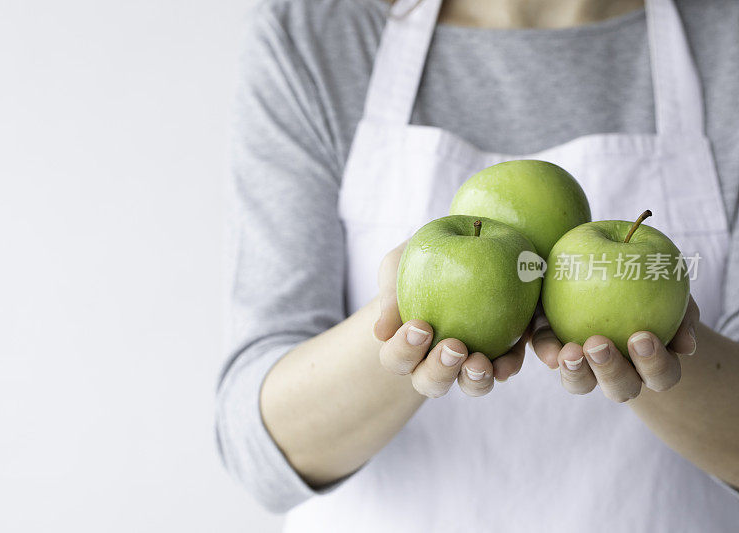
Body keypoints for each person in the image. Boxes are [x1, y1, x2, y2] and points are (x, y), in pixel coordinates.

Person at [217, 0, 739, 530]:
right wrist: (406, 317)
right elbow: (258, 452)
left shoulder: (727, 41)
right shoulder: (316, 39)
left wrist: (655, 345)